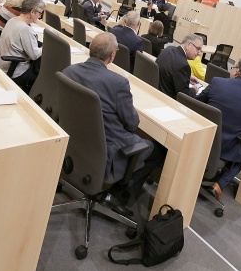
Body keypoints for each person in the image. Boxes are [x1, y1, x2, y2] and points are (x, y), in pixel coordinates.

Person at [61, 33, 166, 212]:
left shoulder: (69, 71)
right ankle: (117, 196)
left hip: (76, 141)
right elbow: (132, 124)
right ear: (112, 56)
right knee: (157, 150)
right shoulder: (118, 83)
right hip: (108, 149)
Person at [197, 59, 241, 202]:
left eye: (232, 68)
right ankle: (219, 184)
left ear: (237, 71)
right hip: (227, 148)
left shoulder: (218, 82)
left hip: (202, 137)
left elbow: (198, 101)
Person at [0, 0, 44, 93]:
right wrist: (45, 46)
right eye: (40, 13)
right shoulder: (25, 29)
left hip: (0, 64)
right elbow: (34, 55)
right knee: (43, 78)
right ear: (32, 12)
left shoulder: (12, 20)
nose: (40, 16)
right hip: (14, 71)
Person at [156, 34, 203, 98]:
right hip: (167, 99)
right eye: (198, 48)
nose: (199, 53)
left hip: (156, 90)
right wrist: (194, 90)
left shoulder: (168, 49)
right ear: (188, 45)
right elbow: (183, 96)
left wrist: (186, 77)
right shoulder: (183, 65)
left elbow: (171, 72)